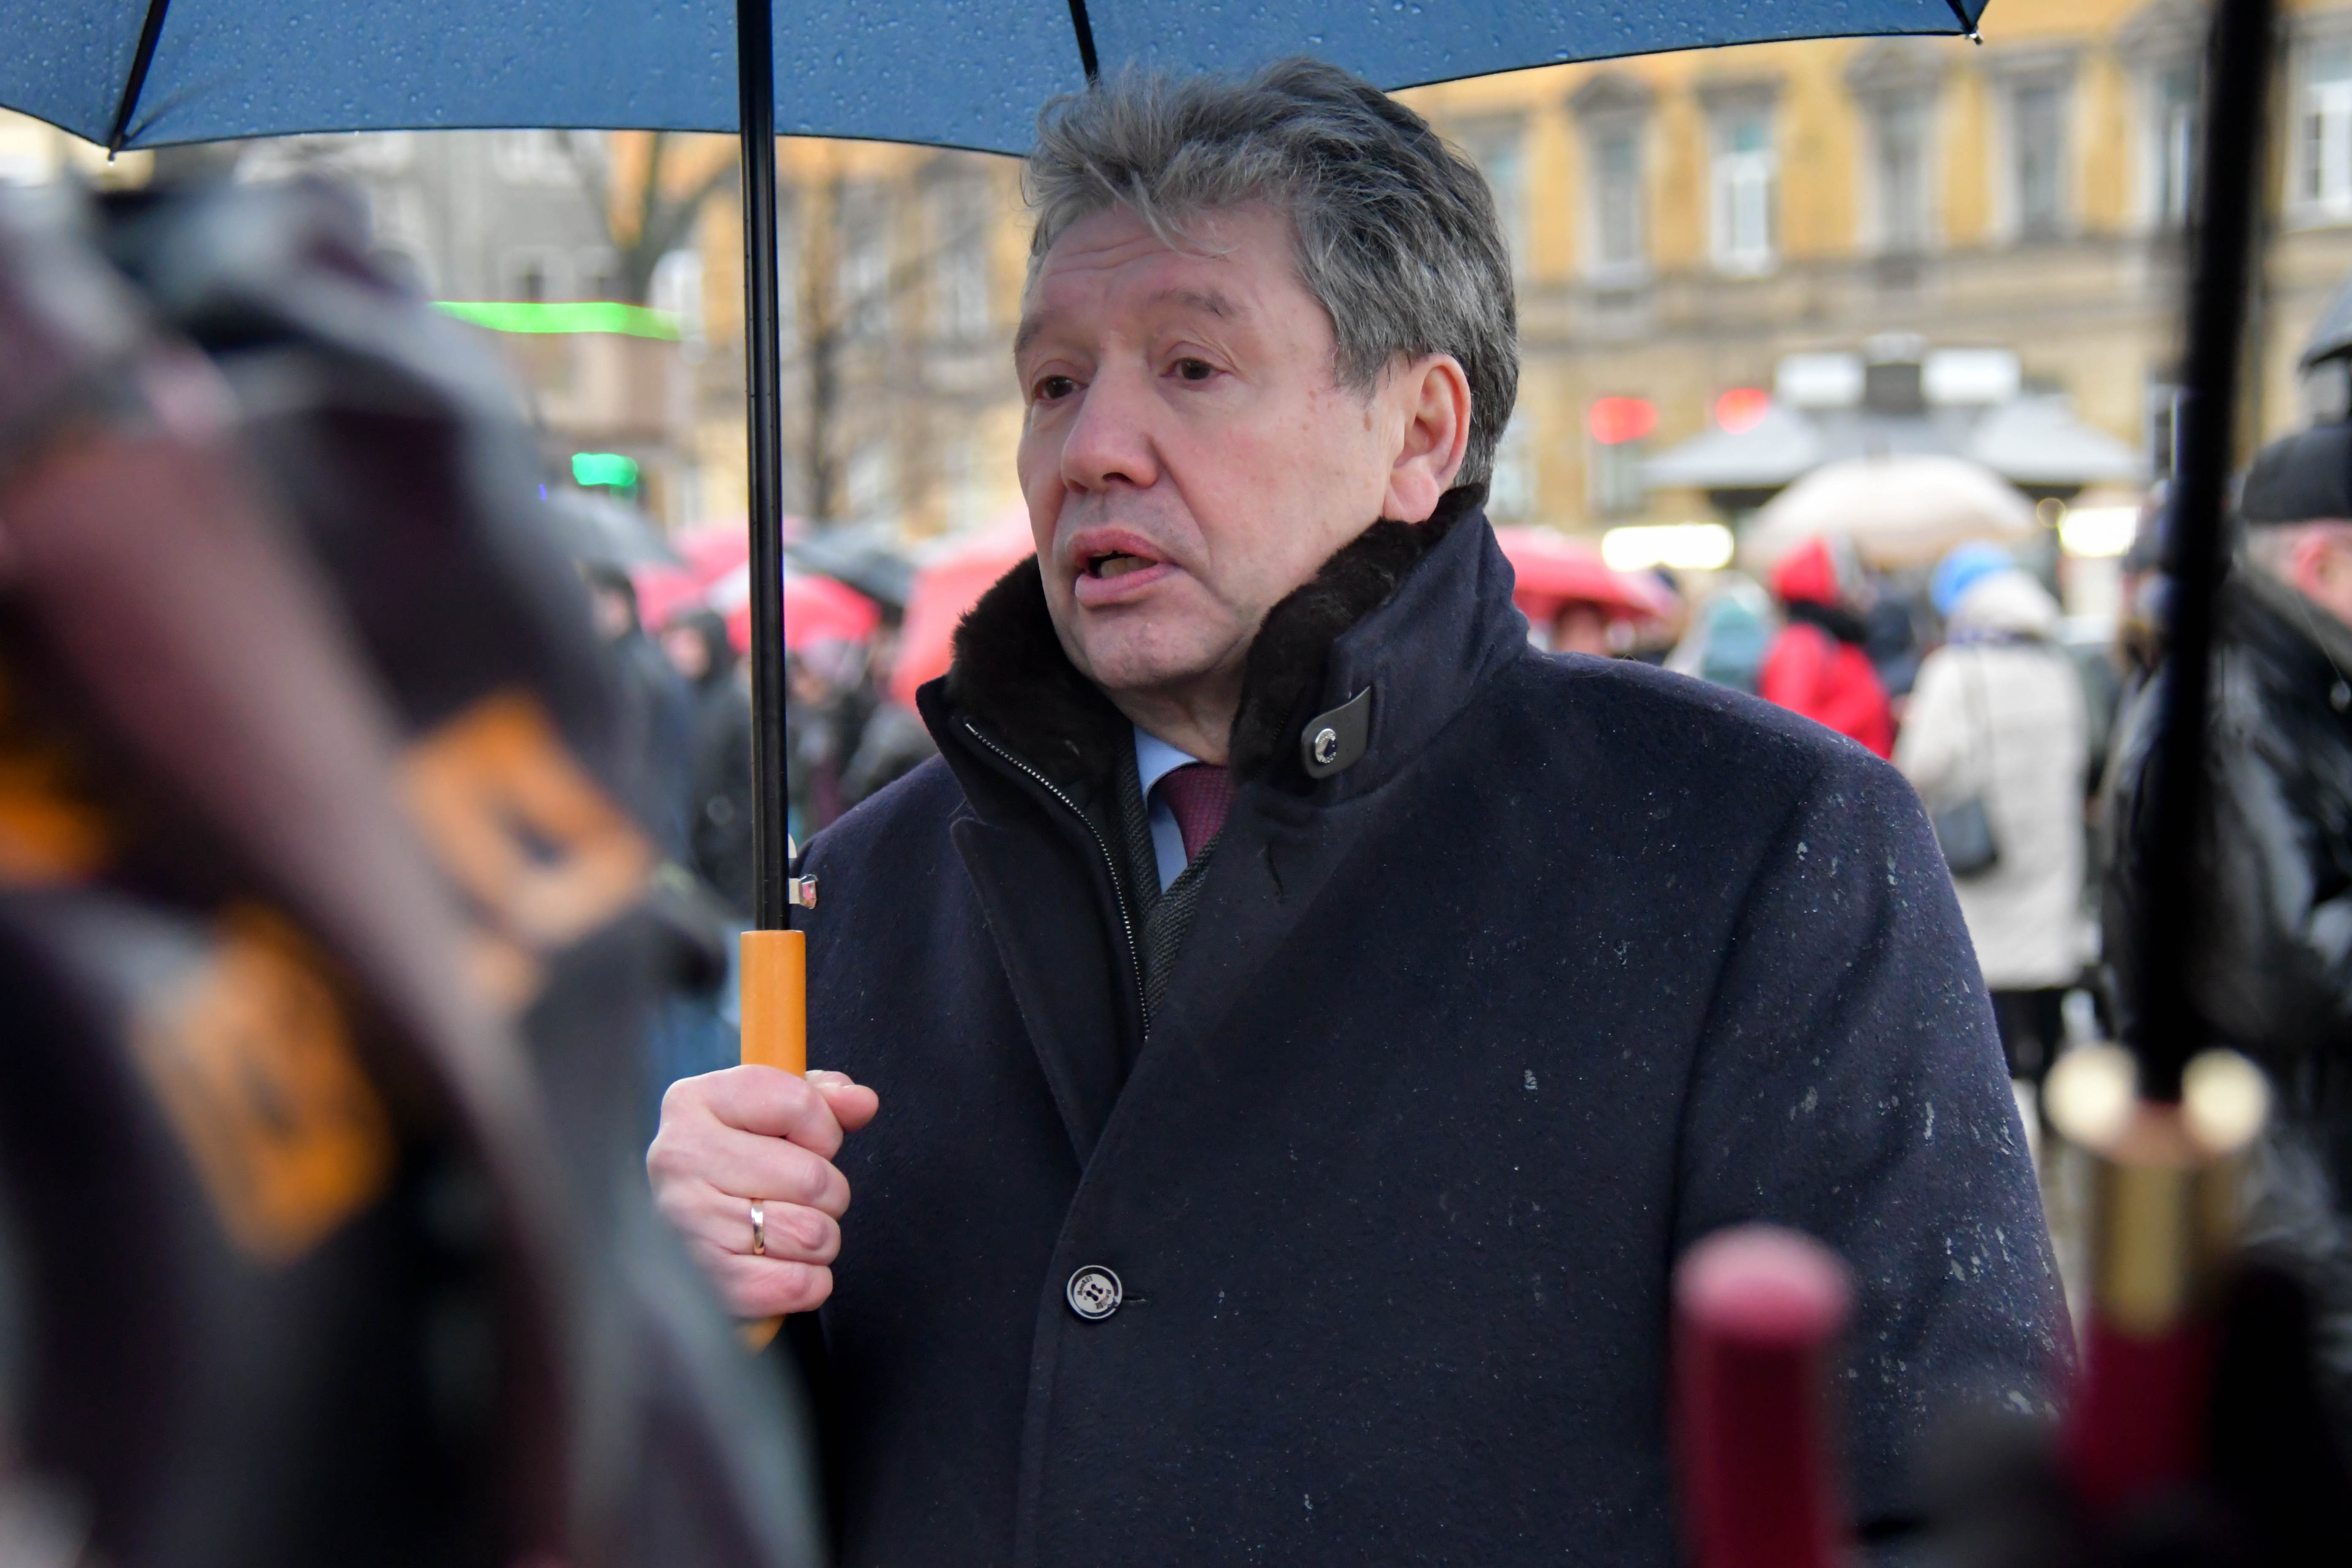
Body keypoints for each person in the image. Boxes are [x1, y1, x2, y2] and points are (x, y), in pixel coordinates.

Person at [648, 60, 2064, 1564]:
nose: (1091, 448)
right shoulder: (863, 892)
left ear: (1420, 432)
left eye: (1191, 366)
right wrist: (690, 1318)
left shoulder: (1752, 844)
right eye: (1053, 382)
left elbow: (1933, 1502)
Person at [2105, 420, 2352, 1445]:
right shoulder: (2238, 712)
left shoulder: (2297, 688)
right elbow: (2290, 968)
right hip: (2290, 1213)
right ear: (2319, 561)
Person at [1897, 544, 2090, 1115]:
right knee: (2046, 979)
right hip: (2053, 855)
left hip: (1982, 860)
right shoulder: (2059, 670)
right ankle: (2052, 1098)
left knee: (1991, 992)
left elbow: (1921, 767)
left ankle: (2007, 1116)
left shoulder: (1953, 672)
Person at [1759, 535, 1895, 756]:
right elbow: (1790, 731)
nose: (1864, 590)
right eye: (1853, 576)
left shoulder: (1837, 639)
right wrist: (1861, 709)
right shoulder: (1803, 643)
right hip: (1839, 774)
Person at [662, 607, 758, 918]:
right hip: (686, 846)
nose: (683, 653)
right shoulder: (677, 699)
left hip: (726, 857)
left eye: (692, 643)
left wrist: (725, 830)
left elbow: (749, 782)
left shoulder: (734, 706)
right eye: (678, 643)